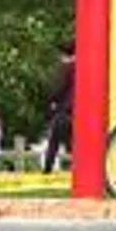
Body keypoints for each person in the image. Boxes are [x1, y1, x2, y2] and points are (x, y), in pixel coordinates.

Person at [42, 41, 75, 174]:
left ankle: (47, 170)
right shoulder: (83, 66)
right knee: (75, 143)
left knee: (54, 141)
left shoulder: (65, 68)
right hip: (79, 110)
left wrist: (51, 101)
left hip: (65, 109)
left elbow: (58, 88)